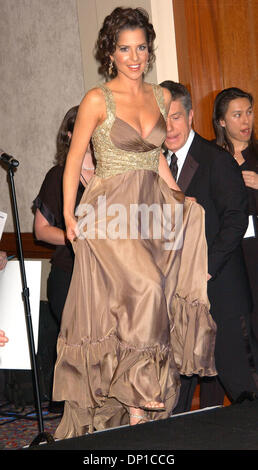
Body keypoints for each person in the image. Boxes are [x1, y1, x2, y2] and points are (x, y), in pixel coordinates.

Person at [52, 7, 217, 438]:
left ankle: (135, 403)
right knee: (145, 286)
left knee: (155, 294)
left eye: (141, 47)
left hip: (150, 207)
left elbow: (155, 157)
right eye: (125, 48)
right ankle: (138, 393)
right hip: (109, 210)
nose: (134, 56)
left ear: (149, 50)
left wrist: (180, 199)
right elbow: (73, 163)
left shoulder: (161, 97)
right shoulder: (96, 99)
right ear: (111, 52)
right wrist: (70, 216)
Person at [160, 80, 258, 411]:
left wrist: (205, 269)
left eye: (175, 116)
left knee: (243, 388)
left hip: (220, 291)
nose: (169, 126)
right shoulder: (152, 165)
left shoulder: (216, 159)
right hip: (175, 295)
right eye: (162, 118)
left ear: (189, 116)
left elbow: (235, 220)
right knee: (175, 393)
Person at [33, 106, 95, 405]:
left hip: (109, 274)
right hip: (69, 274)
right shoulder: (58, 175)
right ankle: (77, 414)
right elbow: (41, 231)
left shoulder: (113, 173)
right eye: (81, 126)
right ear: (69, 134)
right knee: (78, 348)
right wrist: (75, 239)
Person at [212, 87, 258, 342]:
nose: (246, 121)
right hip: (227, 254)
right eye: (237, 115)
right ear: (221, 121)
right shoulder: (212, 158)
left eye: (249, 113)